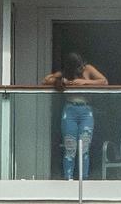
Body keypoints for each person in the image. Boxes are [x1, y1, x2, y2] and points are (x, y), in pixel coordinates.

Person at [43, 52, 108, 180]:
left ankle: (84, 180)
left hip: (86, 110)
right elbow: (45, 80)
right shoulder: (65, 73)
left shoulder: (87, 69)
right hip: (70, 110)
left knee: (84, 148)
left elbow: (104, 81)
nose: (79, 70)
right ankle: (69, 180)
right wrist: (60, 81)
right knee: (70, 147)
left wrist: (84, 82)